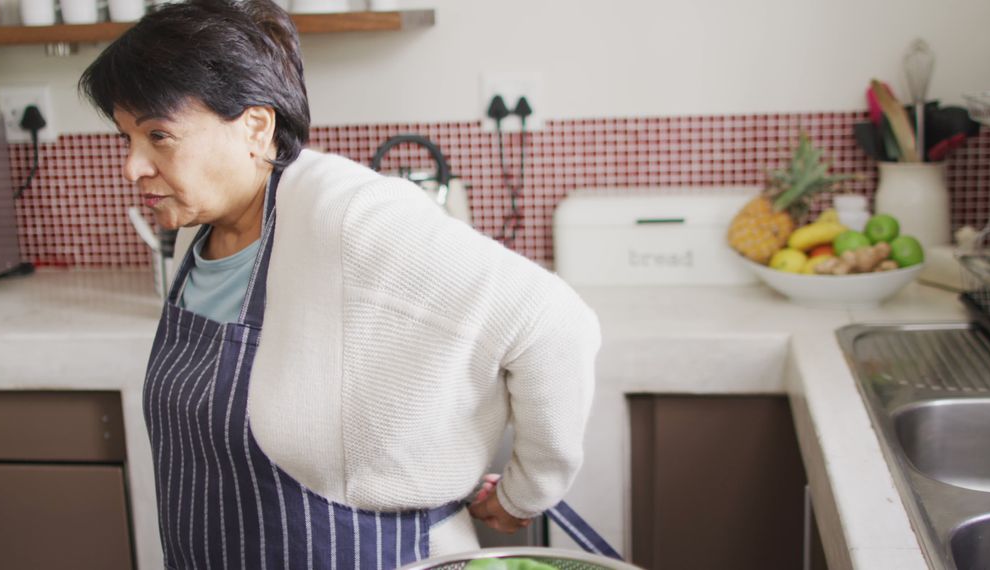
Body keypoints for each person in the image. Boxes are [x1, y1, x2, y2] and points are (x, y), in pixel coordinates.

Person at [80, 0, 601, 567]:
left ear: (255, 126)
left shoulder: (346, 214)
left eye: (159, 136)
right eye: (125, 138)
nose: (132, 167)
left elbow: (553, 322)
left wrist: (526, 492)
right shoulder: (196, 232)